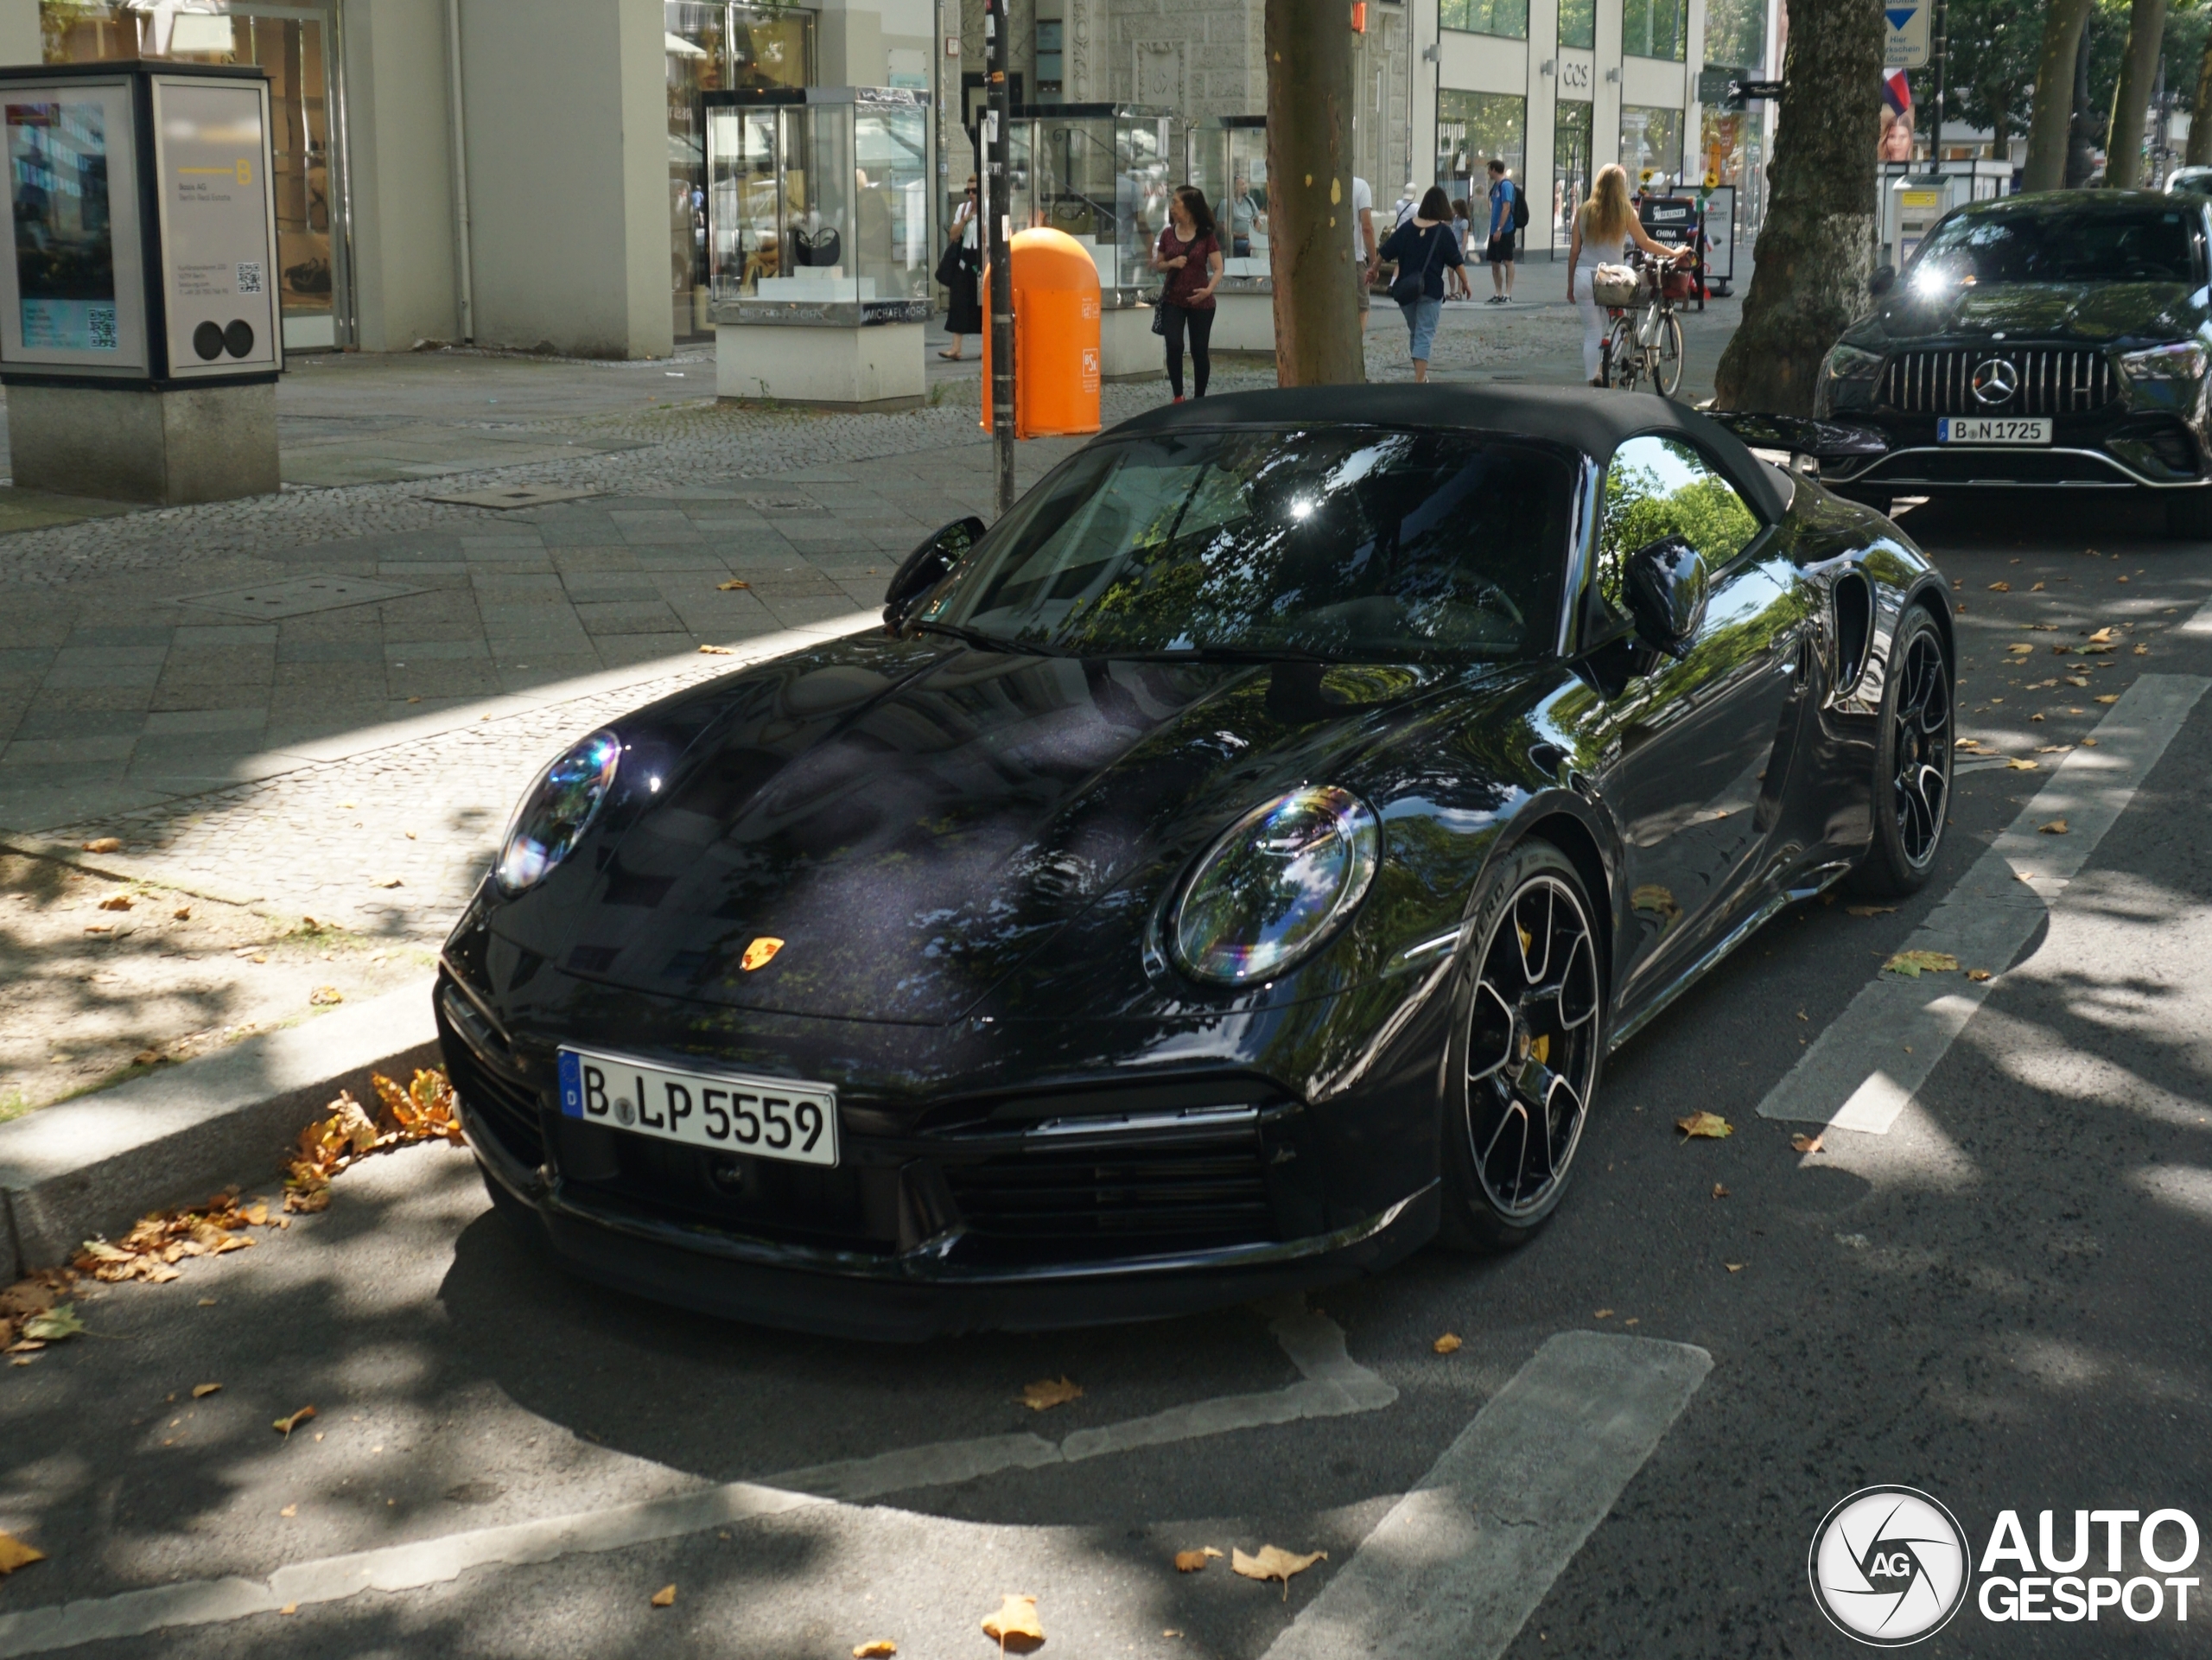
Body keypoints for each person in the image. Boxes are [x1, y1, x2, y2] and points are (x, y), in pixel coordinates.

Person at [1567, 162, 1694, 386]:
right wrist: (1674, 251)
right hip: (1613, 278)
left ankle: (1593, 377)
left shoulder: (1583, 211)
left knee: (1592, 331)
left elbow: (1574, 251)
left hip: (1584, 276)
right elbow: (1645, 243)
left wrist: (1570, 285)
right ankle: (1612, 363)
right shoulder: (1625, 211)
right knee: (1621, 323)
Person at [1376, 186, 1464, 384]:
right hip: (1430, 291)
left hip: (1406, 292)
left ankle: (1421, 377)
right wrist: (1465, 283)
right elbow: (1457, 262)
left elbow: (1385, 250)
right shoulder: (1444, 232)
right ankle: (1419, 381)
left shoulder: (1406, 229)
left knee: (1417, 333)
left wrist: (1373, 269)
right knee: (1424, 334)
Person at [1151, 184, 1222, 401]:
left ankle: (1199, 398)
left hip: (1201, 302)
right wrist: (1172, 262)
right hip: (1173, 299)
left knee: (1199, 351)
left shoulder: (1205, 236)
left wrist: (1208, 290)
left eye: (1175, 202)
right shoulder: (1167, 234)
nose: (1172, 207)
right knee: (1174, 344)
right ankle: (1178, 396)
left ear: (1189, 207)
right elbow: (1159, 265)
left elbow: (1218, 268)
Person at [938, 176, 982, 359]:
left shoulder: (989, 209)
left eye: (974, 191)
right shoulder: (962, 209)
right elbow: (953, 235)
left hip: (982, 259)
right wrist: (965, 219)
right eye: (968, 191)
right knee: (958, 302)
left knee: (983, 304)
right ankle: (956, 348)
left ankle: (986, 348)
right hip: (964, 259)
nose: (971, 195)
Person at [1484, 159, 1520, 304]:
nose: (1488, 172)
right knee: (1494, 262)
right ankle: (1498, 292)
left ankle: (1508, 293)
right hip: (1494, 230)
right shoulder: (1496, 186)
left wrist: (1499, 228)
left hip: (1505, 229)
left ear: (1494, 170)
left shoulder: (1506, 186)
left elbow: (1506, 208)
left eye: (1489, 169)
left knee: (1508, 260)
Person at [1351, 174, 1375, 332]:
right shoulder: (1360, 186)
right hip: (1355, 258)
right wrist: (1374, 263)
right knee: (1362, 307)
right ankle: (1355, 350)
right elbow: (1367, 228)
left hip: (1326, 261)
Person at [1448, 199, 1475, 301]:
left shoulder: (1464, 222)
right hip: (1453, 246)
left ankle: (1459, 291)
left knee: (1458, 269)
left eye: (1454, 209)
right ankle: (1452, 291)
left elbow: (1465, 237)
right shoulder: (1455, 219)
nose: (1452, 210)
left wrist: (1463, 250)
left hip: (1460, 246)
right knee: (1450, 269)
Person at [1228, 173, 1256, 258]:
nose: (1245, 186)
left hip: (1250, 238)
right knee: (1253, 247)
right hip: (1235, 240)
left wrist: (1254, 235)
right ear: (1235, 188)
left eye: (1245, 184)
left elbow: (1258, 220)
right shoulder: (1227, 203)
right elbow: (1222, 227)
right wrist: (1239, 236)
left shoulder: (1250, 201)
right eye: (1242, 184)